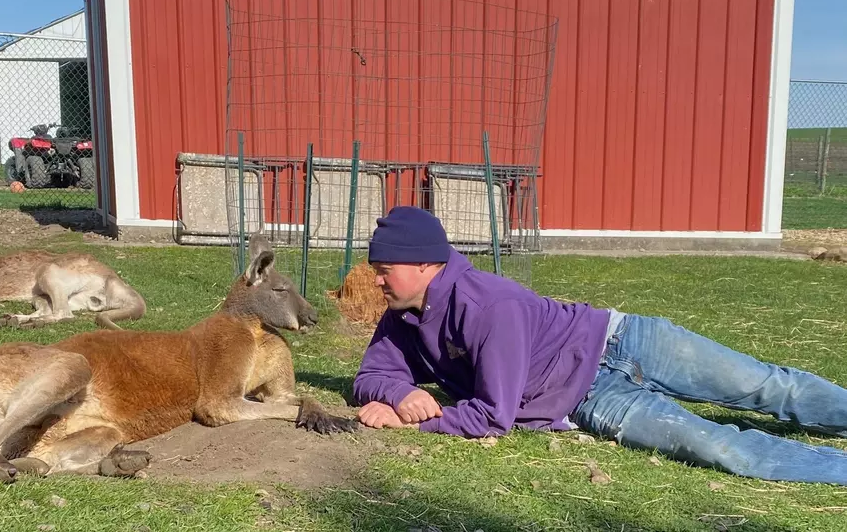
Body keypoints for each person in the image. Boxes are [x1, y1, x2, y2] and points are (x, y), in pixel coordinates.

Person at [352, 206, 847, 485]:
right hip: (590, 397)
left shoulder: (489, 307)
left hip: (626, 340)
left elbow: (492, 416)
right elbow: (369, 375)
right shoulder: (406, 313)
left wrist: (422, 418)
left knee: (768, 387)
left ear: (423, 264)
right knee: (716, 446)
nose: (376, 281)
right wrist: (399, 395)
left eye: (383, 269)